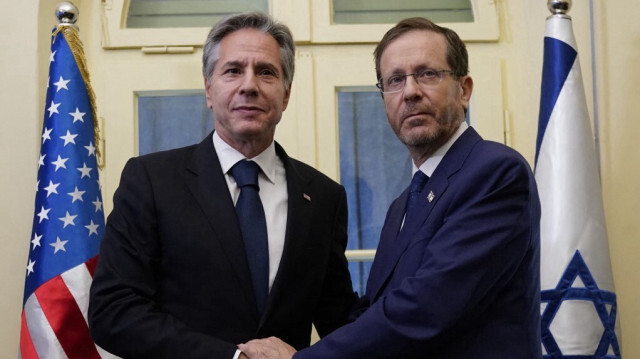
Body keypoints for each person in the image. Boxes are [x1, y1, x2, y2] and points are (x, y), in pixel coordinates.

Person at [239, 17, 542, 359]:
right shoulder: (402, 205)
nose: (410, 91)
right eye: (395, 80)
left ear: (465, 89)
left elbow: (426, 308)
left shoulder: (495, 172)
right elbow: (375, 314)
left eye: (428, 73)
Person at [88, 12, 357, 359]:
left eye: (266, 72)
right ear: (209, 89)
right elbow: (113, 311)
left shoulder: (323, 197)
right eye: (233, 71)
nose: (249, 85)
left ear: (286, 93)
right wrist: (233, 357)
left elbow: (339, 316)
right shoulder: (152, 181)